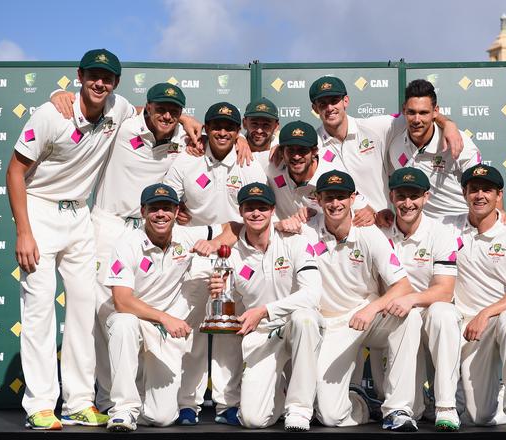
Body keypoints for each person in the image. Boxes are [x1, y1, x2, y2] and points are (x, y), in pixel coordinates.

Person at [6, 48, 136, 430]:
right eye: (93, 75)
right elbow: (14, 172)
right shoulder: (51, 114)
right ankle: (40, 404)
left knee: (83, 311)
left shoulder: (118, 107)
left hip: (80, 213)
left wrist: (191, 120)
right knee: (40, 310)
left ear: (115, 83)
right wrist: (24, 231)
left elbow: (145, 113)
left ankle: (79, 401)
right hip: (40, 209)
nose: (100, 83)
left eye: (108, 78)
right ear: (79, 75)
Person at [162, 102, 267, 425]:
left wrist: (223, 238)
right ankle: (187, 403)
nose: (222, 132)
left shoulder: (249, 163)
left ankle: (227, 404)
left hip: (237, 253)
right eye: (216, 126)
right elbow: (167, 203)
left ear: (239, 133)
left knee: (228, 330)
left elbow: (255, 215)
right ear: (205, 129)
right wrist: (202, 234)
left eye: (230, 128)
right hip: (195, 251)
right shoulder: (185, 160)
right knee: (191, 327)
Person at [90, 83, 189, 411]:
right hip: (111, 225)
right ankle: (108, 400)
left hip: (152, 227)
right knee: (108, 315)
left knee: (140, 316)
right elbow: (96, 102)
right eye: (160, 108)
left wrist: (191, 122)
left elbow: (220, 137)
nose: (167, 115)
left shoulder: (182, 140)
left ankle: (142, 397)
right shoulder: (123, 125)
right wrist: (55, 97)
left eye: (174, 110)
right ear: (146, 107)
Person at [301, 170, 422, 432]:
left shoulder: (369, 234)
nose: (336, 204)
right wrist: (284, 222)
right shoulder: (306, 232)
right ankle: (363, 405)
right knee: (331, 416)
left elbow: (403, 286)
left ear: (353, 198)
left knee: (409, 315)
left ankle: (398, 408)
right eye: (329, 198)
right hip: (330, 326)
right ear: (318, 200)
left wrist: (372, 307)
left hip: (367, 316)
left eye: (342, 197)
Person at [102, 183, 228, 432]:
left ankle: (140, 401)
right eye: (154, 209)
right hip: (139, 321)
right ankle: (123, 410)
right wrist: (164, 318)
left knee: (162, 418)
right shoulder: (127, 243)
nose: (161, 214)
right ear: (143, 211)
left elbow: (232, 228)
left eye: (167, 208)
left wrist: (214, 245)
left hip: (165, 333)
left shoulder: (186, 235)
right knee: (122, 322)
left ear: (176, 211)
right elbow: (122, 301)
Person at [208, 183, 324, 431]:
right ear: (241, 211)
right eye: (250, 208)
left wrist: (265, 310)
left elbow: (312, 295)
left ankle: (298, 409)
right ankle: (279, 392)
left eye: (262, 207)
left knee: (305, 318)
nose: (256, 213)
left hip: (296, 327)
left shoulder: (296, 242)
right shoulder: (231, 255)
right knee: (253, 420)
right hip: (263, 335)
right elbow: (227, 303)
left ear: (273, 210)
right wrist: (218, 292)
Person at [444, 164, 506, 431]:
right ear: (464, 193)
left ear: (499, 196)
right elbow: (412, 213)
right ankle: (498, 396)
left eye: (487, 190)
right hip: (471, 328)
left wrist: (486, 313)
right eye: (473, 189)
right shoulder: (448, 228)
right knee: (479, 417)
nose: (480, 195)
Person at [309, 76, 463, 223]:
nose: (329, 108)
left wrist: (448, 124)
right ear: (315, 108)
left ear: (346, 101)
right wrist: (362, 207)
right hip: (339, 231)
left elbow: (417, 113)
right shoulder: (311, 146)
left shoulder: (374, 127)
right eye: (322, 103)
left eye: (334, 101)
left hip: (383, 227)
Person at [380, 167, 462, 431]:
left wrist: (411, 299)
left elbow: (444, 291)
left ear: (425, 197)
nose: (407, 203)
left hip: (427, 310)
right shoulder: (379, 232)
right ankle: (404, 408)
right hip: (395, 314)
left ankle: (445, 405)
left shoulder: (440, 233)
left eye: (413, 196)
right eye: (401, 196)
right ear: (391, 196)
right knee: (412, 411)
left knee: (444, 312)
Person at [385, 79, 482, 218]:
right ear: (403, 110)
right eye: (411, 112)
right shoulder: (395, 145)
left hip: (459, 224)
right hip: (421, 229)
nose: (417, 119)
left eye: (424, 113)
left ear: (435, 111)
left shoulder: (457, 140)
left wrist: (500, 213)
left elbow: (484, 185)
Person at [266, 120, 372, 224]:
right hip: (285, 238)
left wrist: (318, 217)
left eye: (302, 150)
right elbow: (251, 158)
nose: (296, 156)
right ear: (281, 152)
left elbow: (365, 212)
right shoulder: (273, 165)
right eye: (290, 150)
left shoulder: (332, 176)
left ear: (314, 152)